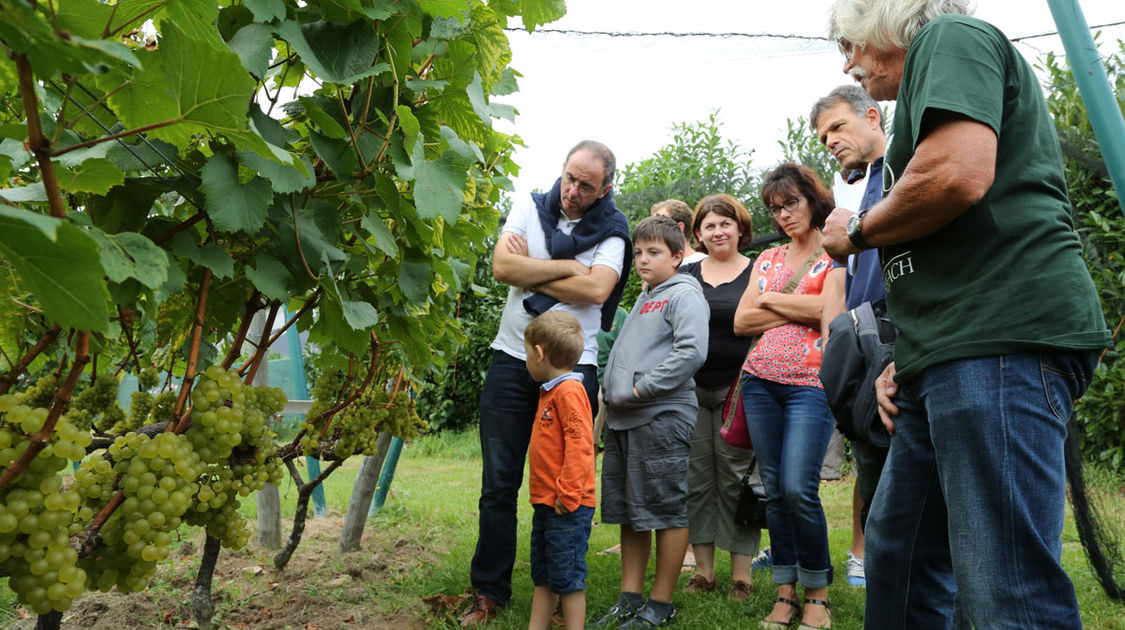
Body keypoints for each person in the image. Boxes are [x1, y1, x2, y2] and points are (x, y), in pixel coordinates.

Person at [823, 2, 1111, 628]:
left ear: (887, 19)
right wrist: (906, 356)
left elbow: (957, 174)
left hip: (999, 339)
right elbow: (938, 253)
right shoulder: (919, 108)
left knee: (1005, 591)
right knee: (899, 560)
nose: (848, 62)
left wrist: (857, 231)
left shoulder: (952, 37)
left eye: (849, 43)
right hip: (946, 354)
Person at [463, 140, 631, 627]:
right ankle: (489, 591)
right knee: (498, 483)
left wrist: (530, 273)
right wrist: (567, 268)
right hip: (513, 360)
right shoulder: (528, 206)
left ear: (606, 190)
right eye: (569, 178)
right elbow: (501, 268)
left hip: (575, 372)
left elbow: (597, 289)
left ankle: (557, 593)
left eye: (586, 186)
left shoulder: (614, 232)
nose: (573, 191)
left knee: (563, 486)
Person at [733, 164, 842, 630]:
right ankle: (785, 592)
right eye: (775, 209)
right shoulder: (767, 259)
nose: (783, 215)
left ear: (812, 199)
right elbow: (741, 322)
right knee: (774, 491)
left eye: (791, 203)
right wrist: (799, 307)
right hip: (759, 382)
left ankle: (817, 594)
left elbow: (831, 313)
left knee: (799, 488)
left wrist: (771, 301)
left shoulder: (837, 252)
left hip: (811, 384)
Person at [596, 215, 708, 629]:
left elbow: (691, 352)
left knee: (663, 510)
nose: (643, 259)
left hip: (660, 416)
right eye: (638, 252)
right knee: (631, 511)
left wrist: (641, 389)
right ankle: (630, 598)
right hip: (626, 420)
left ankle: (660, 604)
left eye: (654, 252)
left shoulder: (683, 294)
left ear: (678, 256)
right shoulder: (647, 295)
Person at [810, 84, 890, 589]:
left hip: (903, 350)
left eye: (838, 127)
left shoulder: (906, 170)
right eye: (823, 137)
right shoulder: (861, 190)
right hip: (869, 355)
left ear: (874, 117)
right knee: (881, 500)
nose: (831, 141)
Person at [678, 194, 761, 601]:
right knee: (697, 480)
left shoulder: (757, 270)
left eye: (725, 223)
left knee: (735, 479)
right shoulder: (687, 273)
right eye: (709, 226)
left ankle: (742, 576)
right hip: (691, 390)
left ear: (740, 228)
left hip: (739, 390)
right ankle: (704, 572)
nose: (718, 231)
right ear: (698, 234)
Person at [522, 311, 597, 630]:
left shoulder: (568, 392)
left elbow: (581, 447)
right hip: (546, 502)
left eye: (526, 353)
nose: (526, 360)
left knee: (567, 577)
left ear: (539, 353)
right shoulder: (551, 391)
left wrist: (567, 494)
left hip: (567, 505)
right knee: (544, 574)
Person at [651, 199, 707, 264]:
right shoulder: (660, 267)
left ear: (678, 228)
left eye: (659, 224)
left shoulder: (705, 265)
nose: (652, 231)